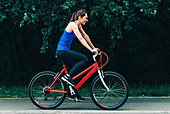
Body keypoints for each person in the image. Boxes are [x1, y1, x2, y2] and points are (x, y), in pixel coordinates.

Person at [56, 9, 98, 101]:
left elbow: (86, 36)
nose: (87, 20)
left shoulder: (78, 25)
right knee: (84, 59)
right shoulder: (73, 24)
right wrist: (91, 50)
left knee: (76, 72)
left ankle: (73, 93)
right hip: (62, 51)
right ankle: (67, 77)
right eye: (85, 18)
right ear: (80, 17)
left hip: (64, 51)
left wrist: (94, 47)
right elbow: (80, 38)